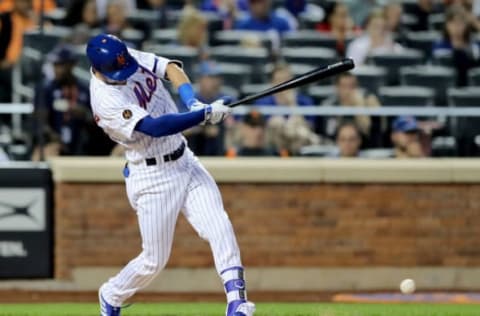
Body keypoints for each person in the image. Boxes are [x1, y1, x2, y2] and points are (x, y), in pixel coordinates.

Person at [86, 34, 255, 316]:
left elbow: (170, 69)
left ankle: (237, 302)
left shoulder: (123, 56)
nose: (124, 74)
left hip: (184, 158)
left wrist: (192, 102)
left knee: (219, 225)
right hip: (152, 176)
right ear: (99, 70)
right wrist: (203, 116)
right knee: (154, 260)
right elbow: (156, 127)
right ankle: (112, 293)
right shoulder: (104, 99)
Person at [319, 72, 382, 147]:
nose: (348, 90)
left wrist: (360, 106)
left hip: (363, 148)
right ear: (337, 87)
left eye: (352, 86)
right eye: (344, 86)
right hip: (336, 149)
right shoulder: (330, 107)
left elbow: (370, 134)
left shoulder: (366, 105)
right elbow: (329, 134)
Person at [184, 60, 227, 156]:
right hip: (193, 150)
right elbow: (182, 129)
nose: (215, 82)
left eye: (217, 77)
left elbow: (234, 124)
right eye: (210, 77)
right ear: (200, 79)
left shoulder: (225, 99)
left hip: (218, 150)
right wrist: (204, 130)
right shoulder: (189, 99)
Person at [432, 5, 480, 86]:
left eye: (461, 23)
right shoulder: (439, 46)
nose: (457, 27)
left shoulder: (475, 46)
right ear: (447, 25)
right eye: (453, 23)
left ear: (466, 26)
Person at [0, 0, 36, 102]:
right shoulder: (4, 19)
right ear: (14, 2)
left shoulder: (34, 21)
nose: (25, 5)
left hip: (28, 66)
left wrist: (35, 22)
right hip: (5, 66)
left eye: (28, 2)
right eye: (22, 2)